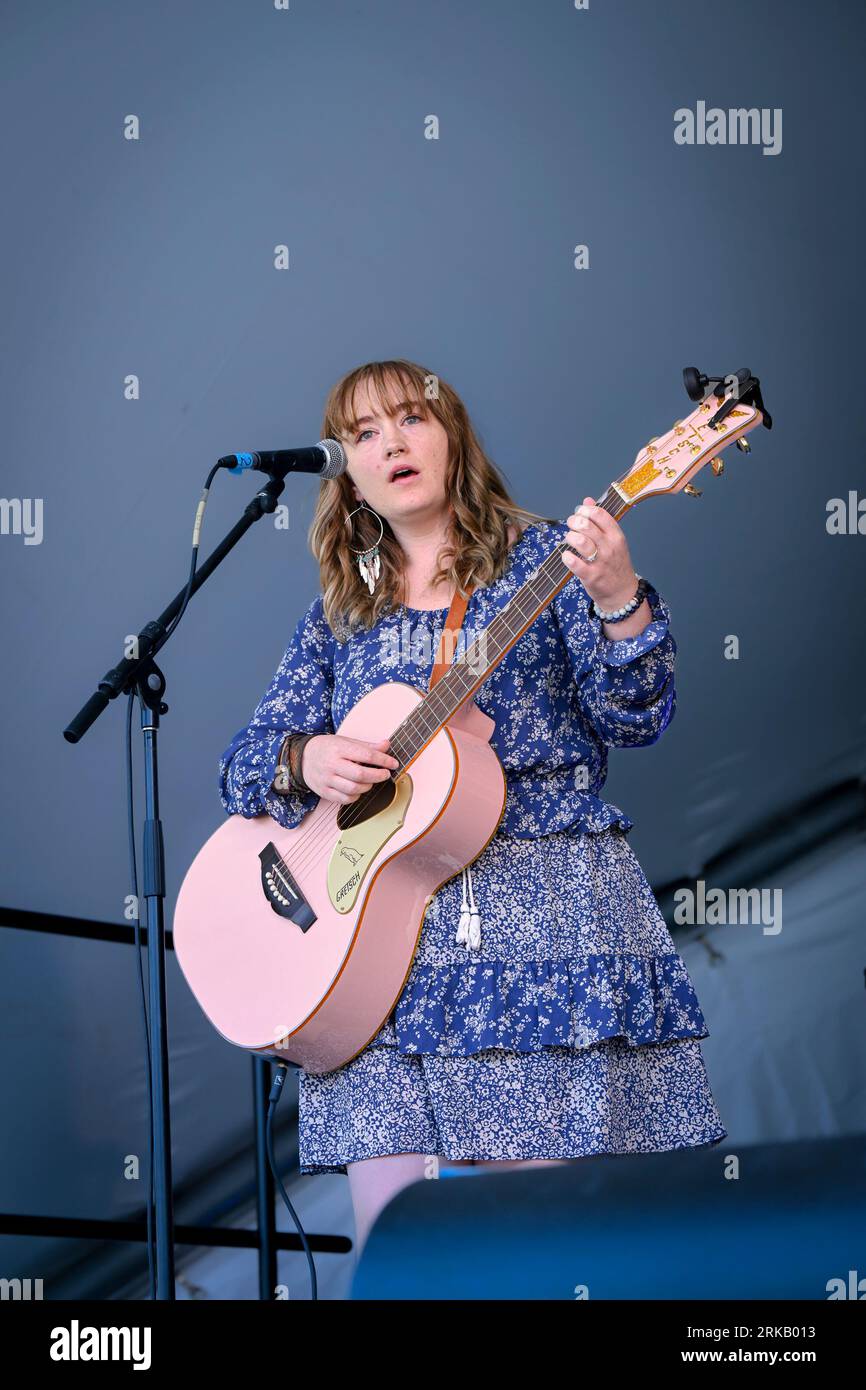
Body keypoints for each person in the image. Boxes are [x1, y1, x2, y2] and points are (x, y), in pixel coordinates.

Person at [218, 358, 727, 1254]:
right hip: (376, 950)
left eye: (411, 418)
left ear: (453, 438)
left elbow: (636, 715)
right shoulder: (341, 614)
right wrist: (310, 757)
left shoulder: (547, 561)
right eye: (364, 434)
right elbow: (244, 764)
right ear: (349, 473)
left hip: (536, 918)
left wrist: (616, 598)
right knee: (399, 1252)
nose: (392, 443)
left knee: (541, 1248)